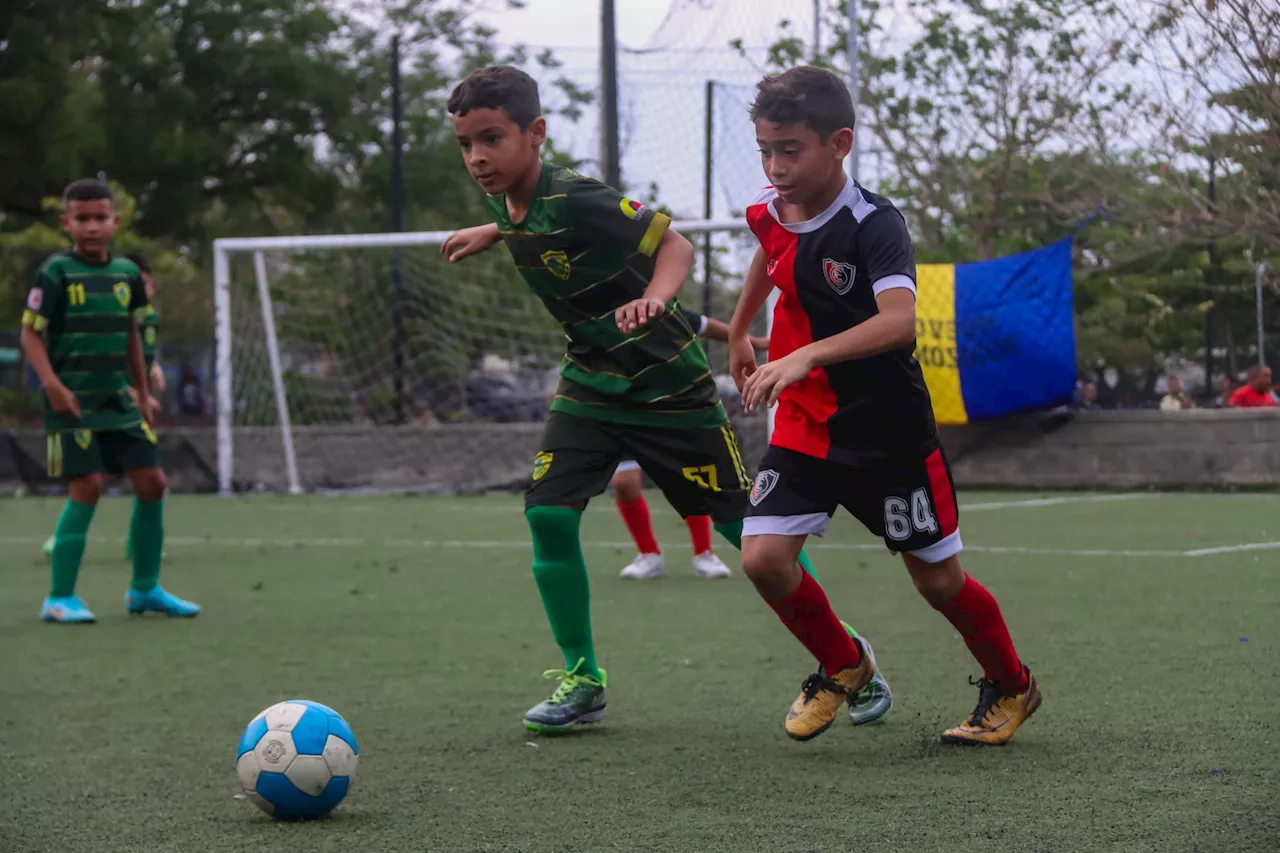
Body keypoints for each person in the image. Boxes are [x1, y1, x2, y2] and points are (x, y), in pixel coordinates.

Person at [440, 66, 891, 733]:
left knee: (750, 535)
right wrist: (496, 232)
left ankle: (848, 656)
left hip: (667, 388)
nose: (478, 156)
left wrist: (656, 295)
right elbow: (538, 229)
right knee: (549, 517)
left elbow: (674, 245)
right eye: (467, 144)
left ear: (535, 134)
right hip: (590, 383)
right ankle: (583, 677)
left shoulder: (578, 195)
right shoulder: (507, 198)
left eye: (492, 139)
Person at [728, 67, 1040, 745]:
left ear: (839, 143)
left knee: (938, 582)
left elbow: (899, 320)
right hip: (808, 426)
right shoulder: (767, 208)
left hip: (889, 437)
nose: (775, 167)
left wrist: (806, 353)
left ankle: (1014, 684)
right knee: (763, 557)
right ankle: (845, 661)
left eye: (790, 149)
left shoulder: (874, 223)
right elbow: (769, 257)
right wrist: (739, 331)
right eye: (765, 151)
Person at [21, 179, 198, 623]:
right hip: (72, 404)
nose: (92, 227)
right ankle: (59, 598)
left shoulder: (125, 276)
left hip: (118, 399)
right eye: (82, 219)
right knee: (88, 486)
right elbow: (29, 333)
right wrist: (53, 386)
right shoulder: (56, 272)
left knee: (153, 482)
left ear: (115, 222)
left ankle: (145, 590)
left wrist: (140, 392)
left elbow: (131, 337)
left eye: (100, 218)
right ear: (66, 224)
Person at [614, 308, 769, 581]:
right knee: (624, 483)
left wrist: (750, 340)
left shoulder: (659, 308)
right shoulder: (599, 312)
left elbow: (705, 325)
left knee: (693, 481)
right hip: (626, 410)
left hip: (672, 408)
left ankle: (704, 553)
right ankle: (648, 554)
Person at [41, 251, 166, 561]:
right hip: (103, 402)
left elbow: (136, 349)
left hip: (127, 401)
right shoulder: (84, 300)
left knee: (149, 477)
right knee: (94, 480)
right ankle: (60, 563)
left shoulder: (147, 319)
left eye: (145, 283)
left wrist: (152, 371)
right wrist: (136, 393)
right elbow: (105, 358)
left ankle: (142, 566)